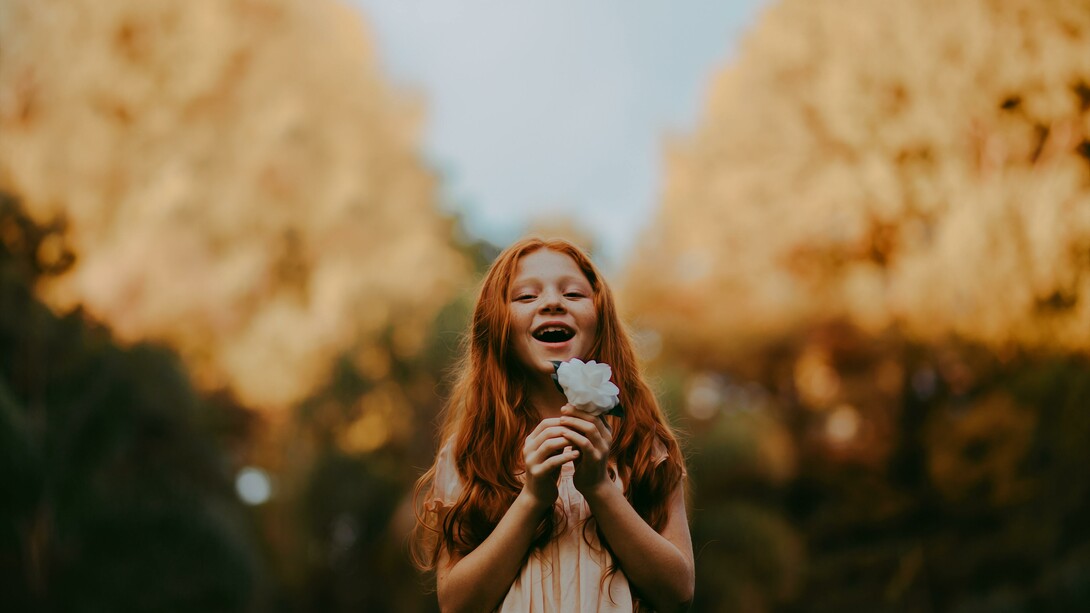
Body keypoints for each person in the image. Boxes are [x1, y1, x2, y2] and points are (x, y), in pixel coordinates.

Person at [412, 237, 694, 612]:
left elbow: (678, 593)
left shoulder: (642, 443)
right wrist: (531, 498)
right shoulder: (469, 454)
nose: (551, 302)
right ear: (497, 326)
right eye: (526, 297)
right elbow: (456, 605)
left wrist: (599, 488)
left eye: (574, 294)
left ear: (600, 319)